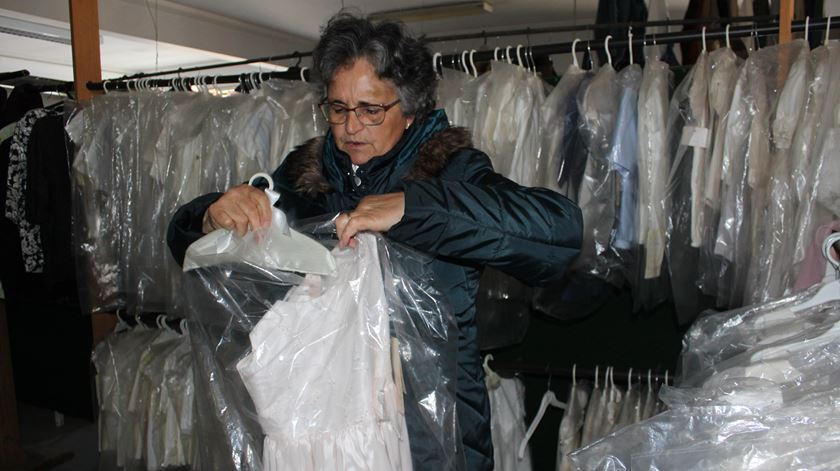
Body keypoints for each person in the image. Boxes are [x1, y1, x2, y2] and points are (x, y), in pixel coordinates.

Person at [167, 12, 583, 470]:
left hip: (435, 437)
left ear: (409, 109)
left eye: (370, 110)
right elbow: (217, 270)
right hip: (328, 436)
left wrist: (414, 208)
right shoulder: (304, 177)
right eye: (338, 108)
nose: (350, 128)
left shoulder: (452, 170)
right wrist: (208, 216)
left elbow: (559, 233)